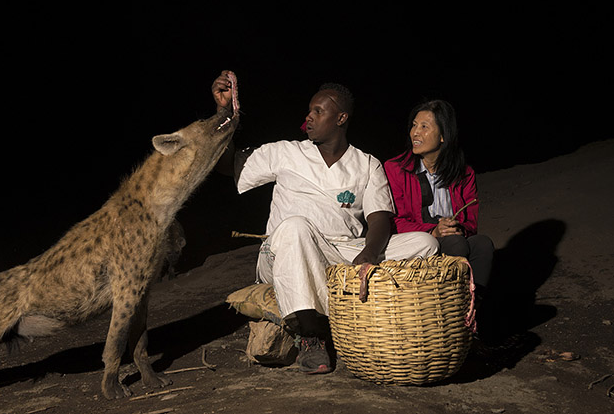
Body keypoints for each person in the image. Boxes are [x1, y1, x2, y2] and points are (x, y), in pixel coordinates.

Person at [212, 70, 438, 374]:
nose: (310, 117)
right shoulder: (285, 152)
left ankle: (376, 308)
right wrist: (223, 112)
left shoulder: (367, 164)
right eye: (310, 111)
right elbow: (227, 165)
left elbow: (380, 218)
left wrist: (369, 253)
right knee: (295, 226)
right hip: (284, 251)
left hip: (341, 254)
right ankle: (310, 335)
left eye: (319, 111)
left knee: (425, 243)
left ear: (341, 118)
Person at [384, 99, 494, 308]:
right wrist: (434, 231)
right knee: (456, 244)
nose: (415, 132)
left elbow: (471, 222)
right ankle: (450, 308)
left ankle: (473, 308)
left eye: (424, 127)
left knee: (482, 244)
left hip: (452, 239)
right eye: (414, 125)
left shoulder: (464, 174)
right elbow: (393, 222)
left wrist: (456, 227)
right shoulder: (395, 169)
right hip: (418, 242)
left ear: (443, 135)